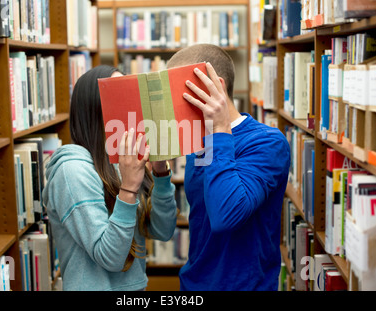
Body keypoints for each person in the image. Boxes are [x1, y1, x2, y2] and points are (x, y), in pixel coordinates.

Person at [166, 44, 291, 290]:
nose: (170, 104)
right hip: (194, 284)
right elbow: (202, 216)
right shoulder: (198, 141)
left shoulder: (268, 143)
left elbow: (226, 216)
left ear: (215, 89)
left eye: (176, 92)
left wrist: (220, 131)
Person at [42, 65, 178, 291]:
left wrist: (161, 173)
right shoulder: (72, 171)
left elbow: (162, 231)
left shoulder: (122, 161)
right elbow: (110, 258)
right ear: (96, 108)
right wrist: (128, 189)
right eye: (121, 93)